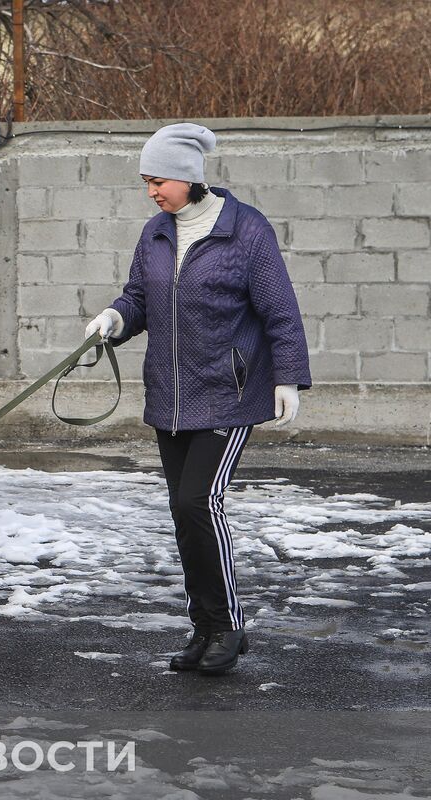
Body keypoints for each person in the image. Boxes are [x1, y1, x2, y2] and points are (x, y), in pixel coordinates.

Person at [84, 123, 311, 676]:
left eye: (158, 180)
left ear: (188, 177)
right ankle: (204, 627)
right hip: (171, 396)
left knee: (198, 505)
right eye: (147, 182)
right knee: (184, 515)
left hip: (229, 395)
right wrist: (116, 318)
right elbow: (140, 298)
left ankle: (229, 626)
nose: (152, 192)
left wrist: (289, 377)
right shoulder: (156, 234)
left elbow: (280, 309)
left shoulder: (246, 230)